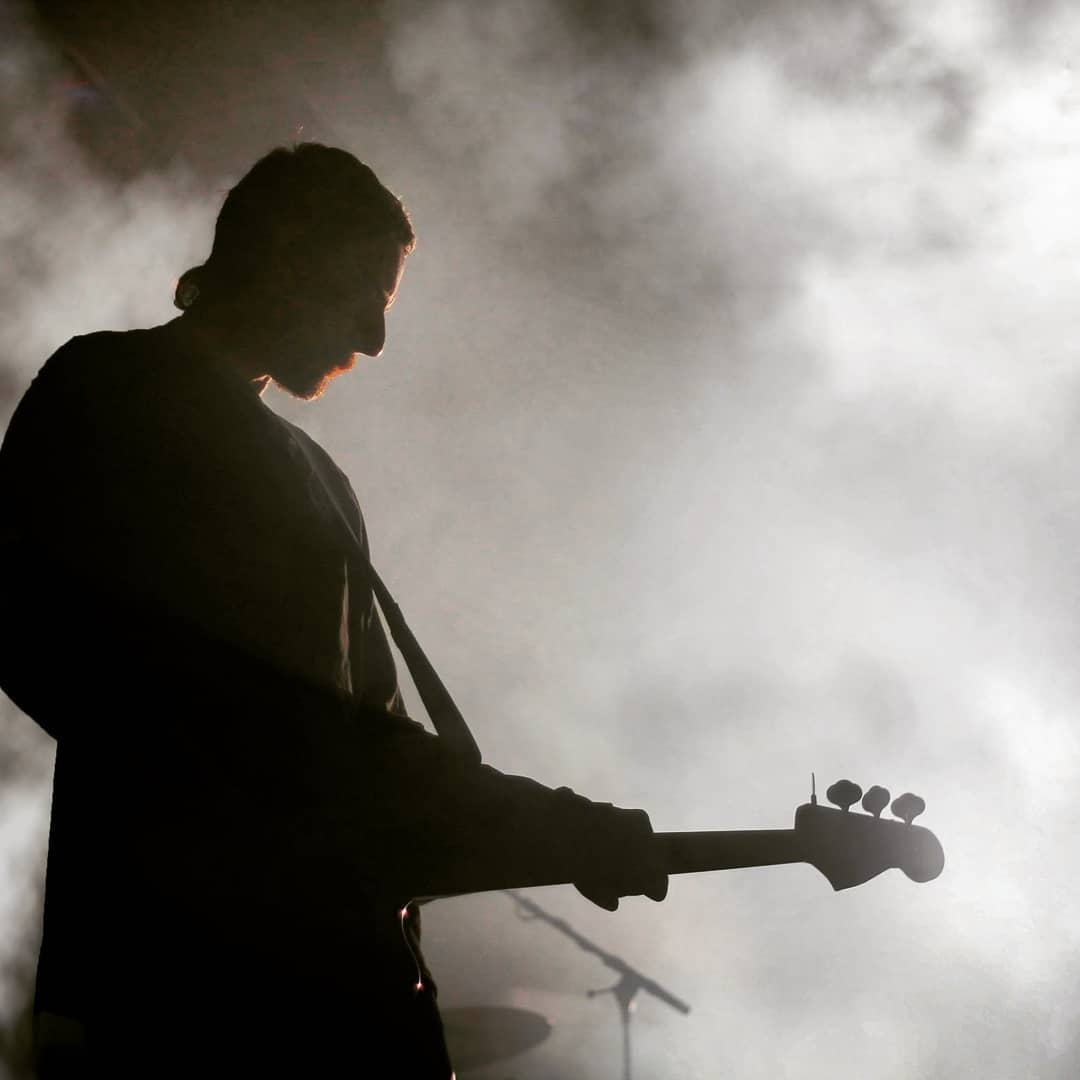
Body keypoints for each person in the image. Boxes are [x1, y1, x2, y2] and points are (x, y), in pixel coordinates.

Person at [0, 143, 667, 1078]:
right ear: (286, 255)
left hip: (348, 995)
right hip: (184, 991)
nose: (376, 340)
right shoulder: (111, 388)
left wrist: (552, 834)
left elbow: (376, 748)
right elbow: (33, 621)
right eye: (367, 297)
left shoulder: (321, 479)